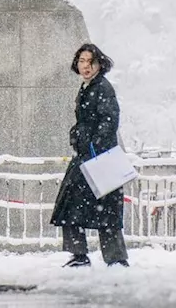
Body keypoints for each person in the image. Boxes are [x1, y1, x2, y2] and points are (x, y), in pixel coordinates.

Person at [50, 43, 130, 268]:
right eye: (82, 61)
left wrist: (93, 142)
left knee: (105, 210)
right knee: (71, 207)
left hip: (99, 157)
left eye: (90, 62)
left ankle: (114, 258)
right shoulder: (88, 87)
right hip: (87, 155)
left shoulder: (102, 88)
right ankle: (80, 254)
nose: (85, 66)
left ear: (99, 64)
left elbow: (109, 120)